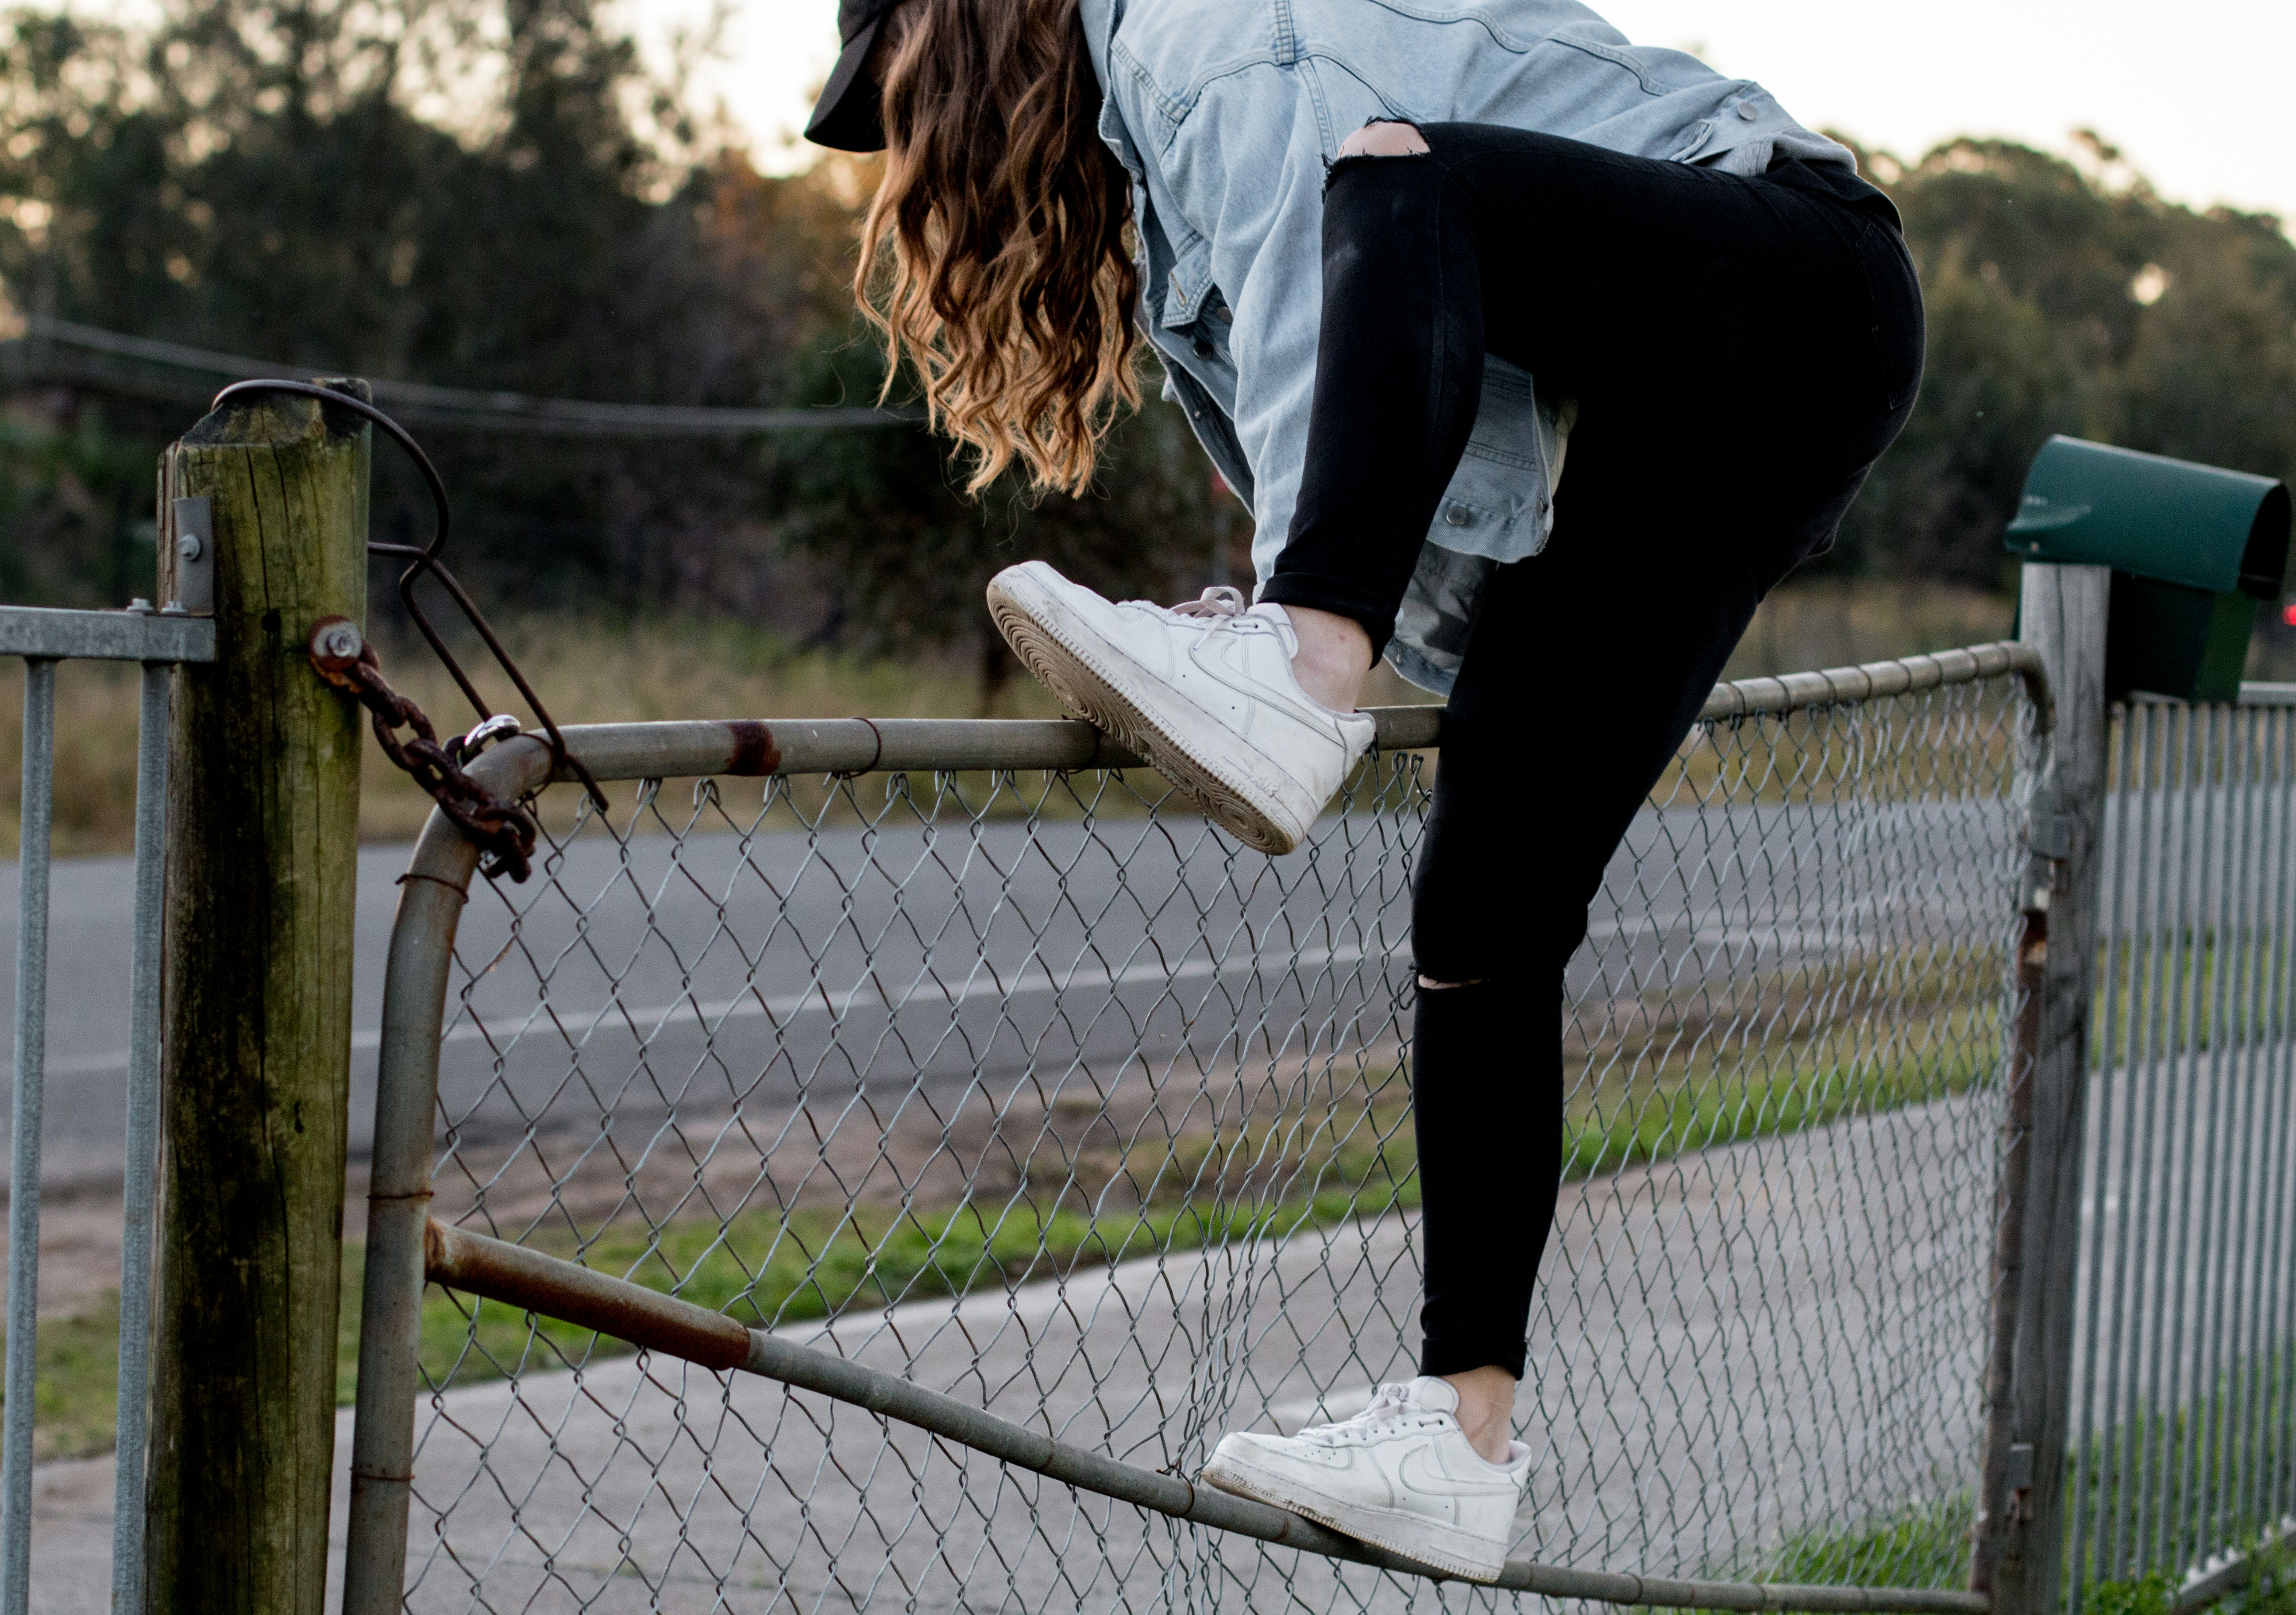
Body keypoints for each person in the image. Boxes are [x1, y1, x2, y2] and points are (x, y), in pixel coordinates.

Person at [803, 0, 1923, 1581]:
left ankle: (1302, 661)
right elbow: (1384, 375)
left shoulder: (1207, 28)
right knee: (1483, 907)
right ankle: (1462, 1443)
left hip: (1788, 275)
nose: (920, 131)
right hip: (1689, 414)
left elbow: (1343, 260)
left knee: (1401, 180)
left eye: (910, 79)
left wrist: (1300, 623)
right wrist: (1305, 596)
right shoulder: (1153, 120)